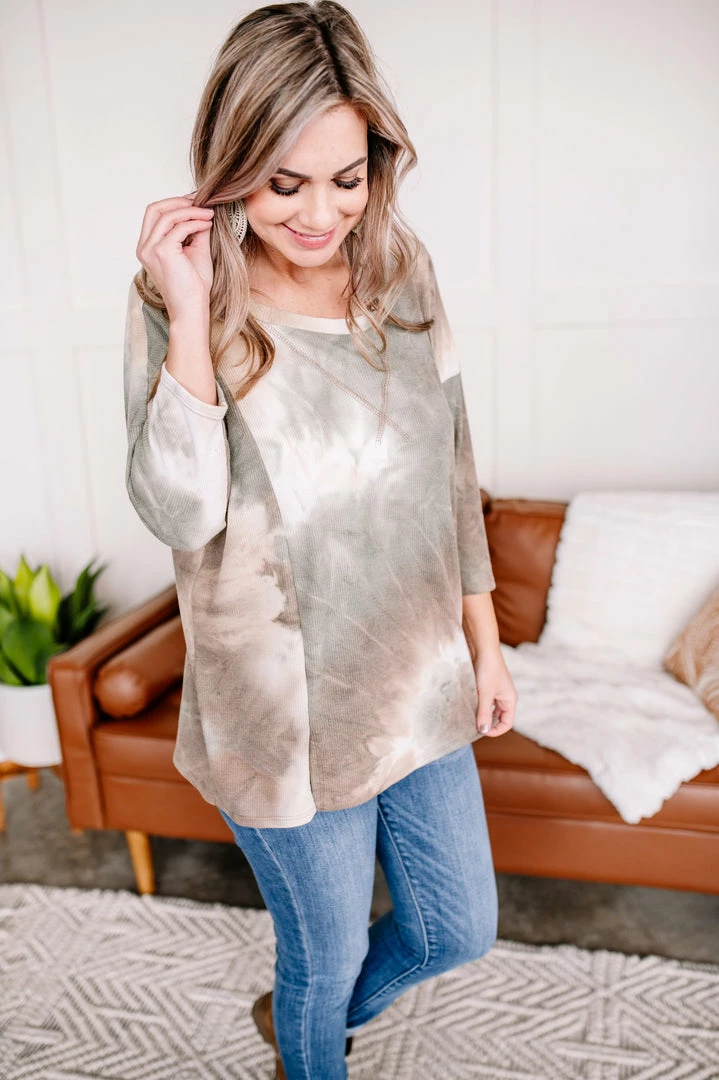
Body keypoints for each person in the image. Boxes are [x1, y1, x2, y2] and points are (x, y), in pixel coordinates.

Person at [123, 2, 518, 1076]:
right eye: (283, 182)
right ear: (230, 165)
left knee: (456, 928)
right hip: (283, 711)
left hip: (418, 679)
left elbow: (451, 471)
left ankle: (309, 1017)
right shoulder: (179, 295)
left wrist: (483, 646)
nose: (319, 214)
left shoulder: (400, 269)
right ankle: (310, 1041)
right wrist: (191, 312)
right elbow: (179, 513)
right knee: (324, 955)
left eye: (346, 179)